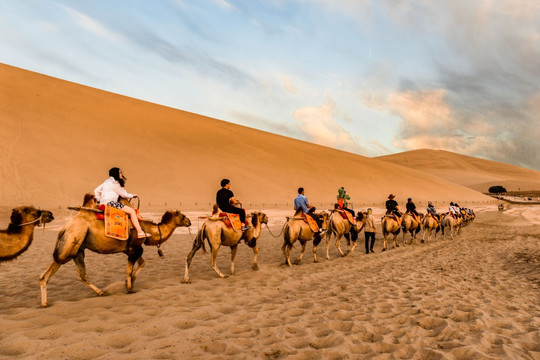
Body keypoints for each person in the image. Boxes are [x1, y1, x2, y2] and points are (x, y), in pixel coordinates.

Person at [94, 167, 150, 238]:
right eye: (120, 173)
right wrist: (132, 195)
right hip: (111, 203)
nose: (121, 174)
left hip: (103, 203)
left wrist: (99, 199)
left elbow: (96, 190)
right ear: (116, 174)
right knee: (132, 211)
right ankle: (140, 232)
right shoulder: (116, 183)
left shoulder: (107, 181)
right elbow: (124, 195)